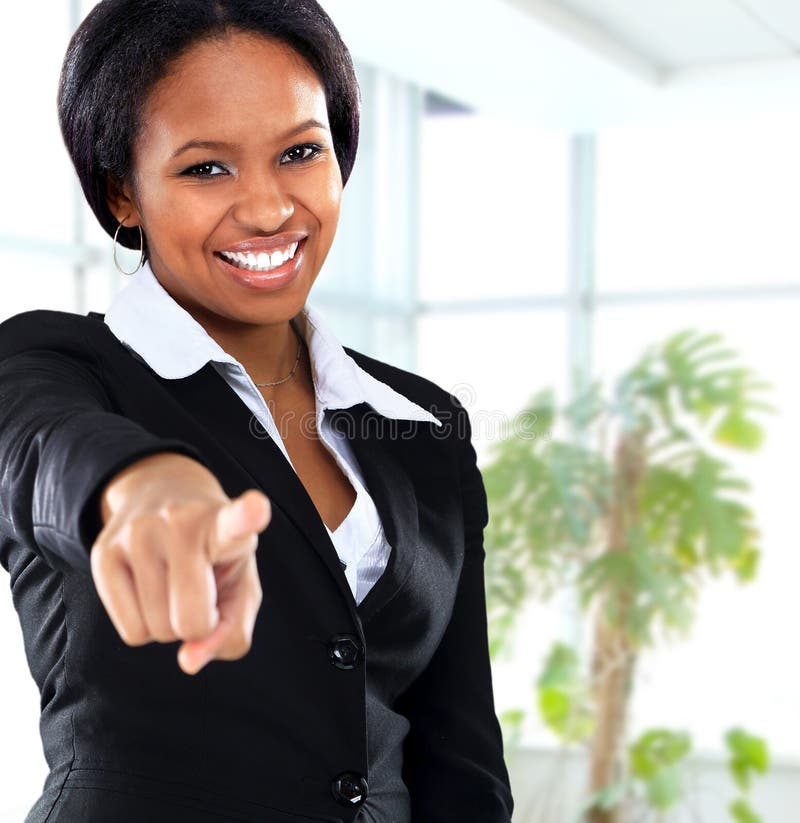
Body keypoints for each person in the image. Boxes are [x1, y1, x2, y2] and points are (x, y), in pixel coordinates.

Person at [0, 1, 514, 821]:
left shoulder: (422, 422)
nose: (270, 209)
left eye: (300, 153)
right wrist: (137, 488)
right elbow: (33, 448)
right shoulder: (58, 365)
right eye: (207, 168)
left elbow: (462, 759)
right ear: (121, 193)